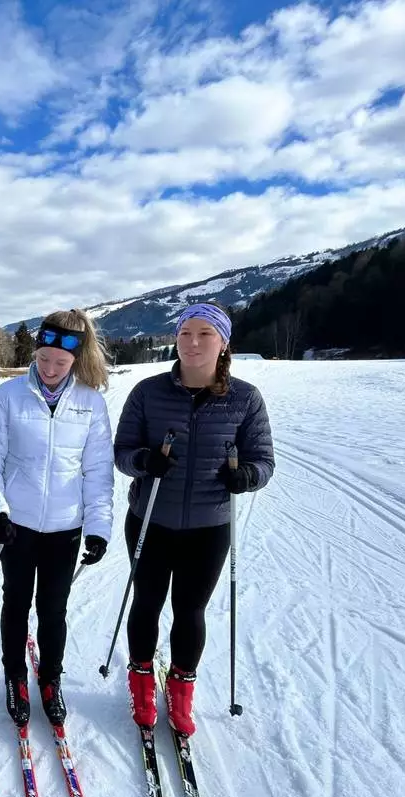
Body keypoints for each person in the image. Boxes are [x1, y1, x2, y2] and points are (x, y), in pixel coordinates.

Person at [113, 302, 274, 736]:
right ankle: (141, 683)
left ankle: (181, 692)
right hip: (151, 517)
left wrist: (246, 476)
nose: (193, 342)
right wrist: (145, 460)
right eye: (185, 333)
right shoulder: (148, 392)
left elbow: (263, 461)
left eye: (205, 334)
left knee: (190, 609)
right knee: (146, 601)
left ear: (223, 344)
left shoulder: (244, 399)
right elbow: (122, 452)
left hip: (209, 526)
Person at [0, 310, 114, 728]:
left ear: (76, 358)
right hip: (17, 527)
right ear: (34, 352)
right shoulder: (6, 397)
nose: (51, 369)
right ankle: (15, 676)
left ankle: (50, 678)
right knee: (15, 604)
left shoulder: (90, 404)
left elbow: (98, 474)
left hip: (65, 528)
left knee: (53, 609)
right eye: (43, 359)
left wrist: (98, 529)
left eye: (61, 362)